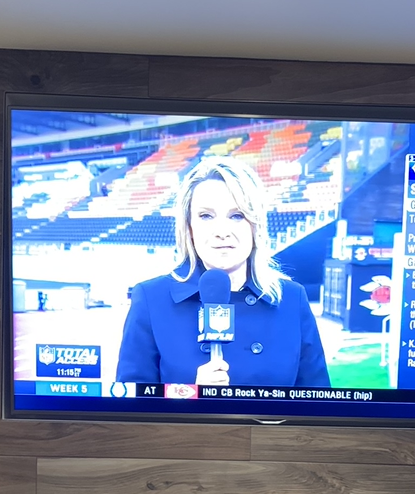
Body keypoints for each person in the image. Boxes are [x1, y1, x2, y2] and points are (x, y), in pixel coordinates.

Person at [115, 155, 331, 388]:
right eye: (206, 216)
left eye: (236, 216)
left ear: (255, 225)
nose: (221, 231)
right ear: (189, 227)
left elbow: (319, 407)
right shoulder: (150, 298)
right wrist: (189, 395)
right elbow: (132, 407)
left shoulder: (291, 298)